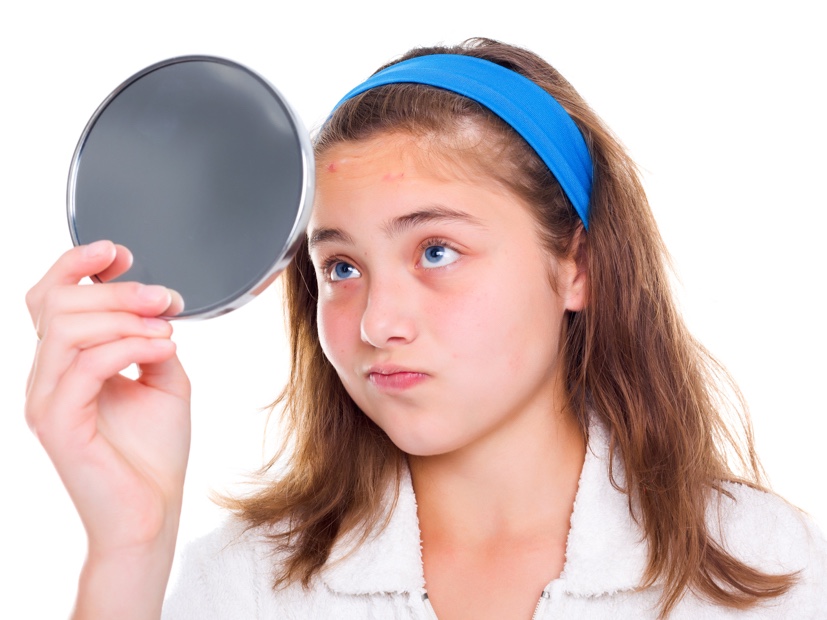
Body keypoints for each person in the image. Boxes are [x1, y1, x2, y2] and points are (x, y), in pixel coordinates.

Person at [25, 38, 826, 619]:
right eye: (340, 267)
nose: (376, 321)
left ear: (575, 266)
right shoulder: (246, 587)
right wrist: (129, 545)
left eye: (436, 250)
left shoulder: (764, 570)